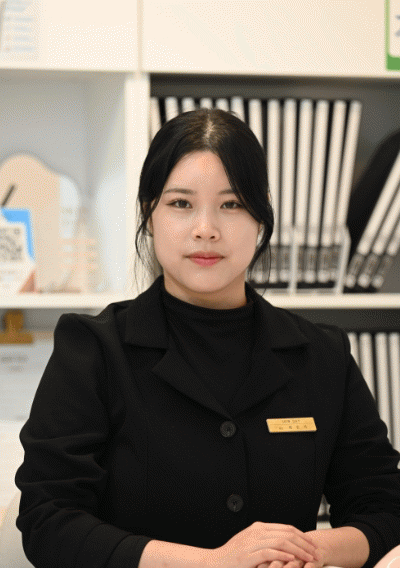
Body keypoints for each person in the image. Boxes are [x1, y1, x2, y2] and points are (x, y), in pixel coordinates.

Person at [14, 108, 400, 568]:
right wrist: (215, 563)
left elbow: (385, 509)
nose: (206, 229)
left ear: (261, 215)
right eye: (181, 204)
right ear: (149, 212)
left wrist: (298, 552)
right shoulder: (93, 350)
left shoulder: (322, 355)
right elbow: (48, 522)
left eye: (231, 204)